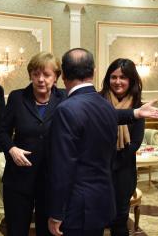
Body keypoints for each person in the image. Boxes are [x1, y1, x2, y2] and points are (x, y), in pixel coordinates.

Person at [47, 48, 118, 236]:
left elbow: (62, 167)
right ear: (94, 72)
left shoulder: (66, 110)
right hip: (102, 200)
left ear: (62, 76)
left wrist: (56, 213)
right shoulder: (108, 106)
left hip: (76, 208)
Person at [0, 52, 66, 236]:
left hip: (50, 180)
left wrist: (133, 113)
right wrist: (11, 149)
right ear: (30, 75)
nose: (41, 79)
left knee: (47, 232)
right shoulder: (17, 97)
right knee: (17, 230)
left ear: (56, 77)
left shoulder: (65, 99)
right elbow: (2, 131)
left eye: (46, 74)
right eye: (36, 74)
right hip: (19, 178)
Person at [100, 58, 145, 236]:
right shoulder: (97, 100)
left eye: (123, 77)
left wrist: (114, 162)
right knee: (97, 218)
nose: (117, 82)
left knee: (120, 221)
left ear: (131, 80)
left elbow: (135, 142)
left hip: (123, 172)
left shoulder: (138, 106)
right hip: (98, 170)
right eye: (113, 77)